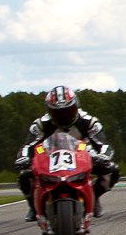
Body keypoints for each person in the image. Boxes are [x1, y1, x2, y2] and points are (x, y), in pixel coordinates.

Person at [16, 85, 119, 220]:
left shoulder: (89, 122)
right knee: (24, 175)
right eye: (58, 112)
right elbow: (27, 146)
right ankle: (32, 205)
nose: (63, 116)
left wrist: (103, 157)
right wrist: (23, 158)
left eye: (67, 111)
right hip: (49, 159)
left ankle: (94, 196)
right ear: (49, 111)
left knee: (112, 170)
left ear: (76, 106)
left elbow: (104, 144)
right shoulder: (40, 124)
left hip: (83, 157)